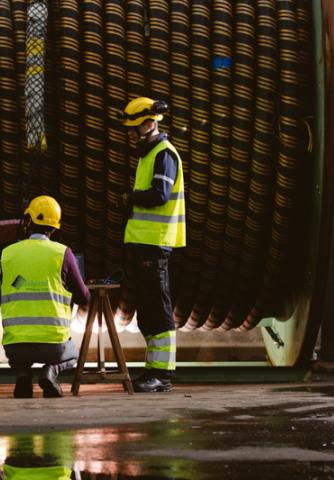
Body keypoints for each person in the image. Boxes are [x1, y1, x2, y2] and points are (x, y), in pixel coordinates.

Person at [119, 97, 186, 393]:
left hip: (155, 245)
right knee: (148, 310)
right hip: (143, 244)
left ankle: (163, 374)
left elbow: (159, 194)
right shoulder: (149, 155)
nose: (131, 134)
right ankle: (152, 370)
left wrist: (130, 198)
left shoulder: (164, 154)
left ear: (150, 123)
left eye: (134, 129)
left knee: (158, 308)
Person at [0, 196, 90, 398]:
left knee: (20, 347)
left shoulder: (8, 253)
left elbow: (13, 287)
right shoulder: (62, 253)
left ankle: (23, 376)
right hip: (54, 348)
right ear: (54, 228)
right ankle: (50, 371)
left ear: (29, 222)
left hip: (15, 347)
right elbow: (84, 298)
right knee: (74, 353)